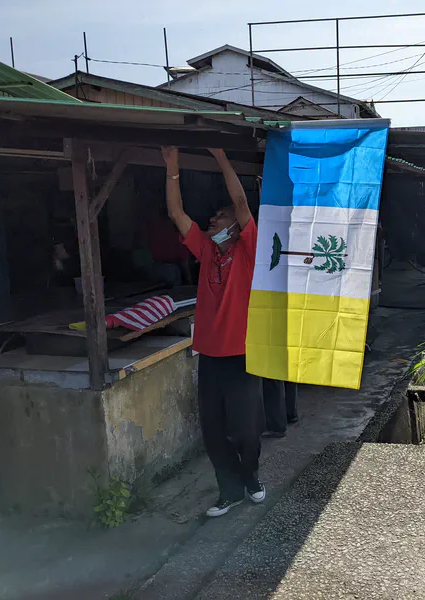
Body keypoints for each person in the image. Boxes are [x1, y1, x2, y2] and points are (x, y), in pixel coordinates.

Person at [162, 146, 266, 517]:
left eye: (219, 218)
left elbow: (239, 200)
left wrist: (223, 158)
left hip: (241, 353)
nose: (212, 220)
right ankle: (229, 490)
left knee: (246, 428)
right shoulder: (207, 251)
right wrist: (172, 167)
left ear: (236, 227)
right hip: (209, 354)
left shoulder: (247, 249)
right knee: (213, 429)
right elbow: (177, 213)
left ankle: (251, 476)